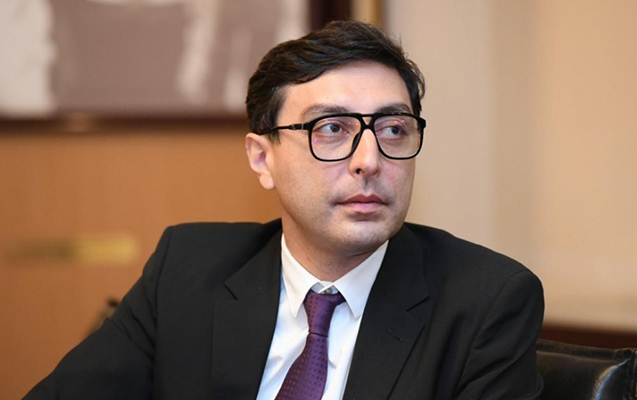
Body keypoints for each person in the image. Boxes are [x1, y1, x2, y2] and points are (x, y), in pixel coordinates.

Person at [24, 20, 544, 400]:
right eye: (331, 129)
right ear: (262, 158)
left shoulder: (486, 301)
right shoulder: (187, 270)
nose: (369, 160)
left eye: (392, 129)